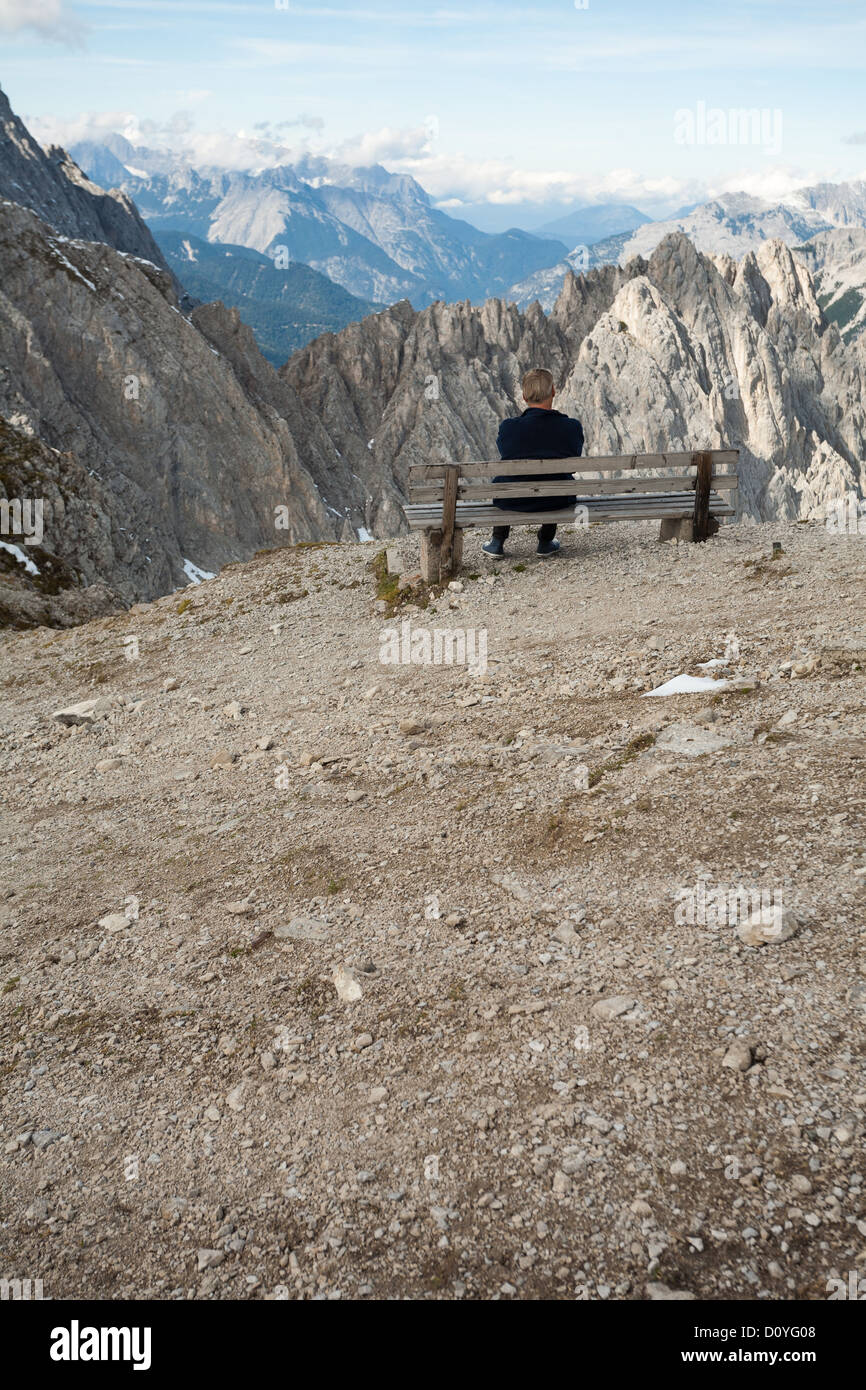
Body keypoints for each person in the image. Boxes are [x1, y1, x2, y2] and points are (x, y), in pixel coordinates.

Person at [482, 368, 584, 558]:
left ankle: (497, 541)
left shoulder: (508, 428)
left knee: (506, 478)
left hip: (513, 499)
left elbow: (507, 455)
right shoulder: (571, 427)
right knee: (556, 480)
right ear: (553, 391)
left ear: (523, 396)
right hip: (556, 499)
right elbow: (574, 464)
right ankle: (545, 541)